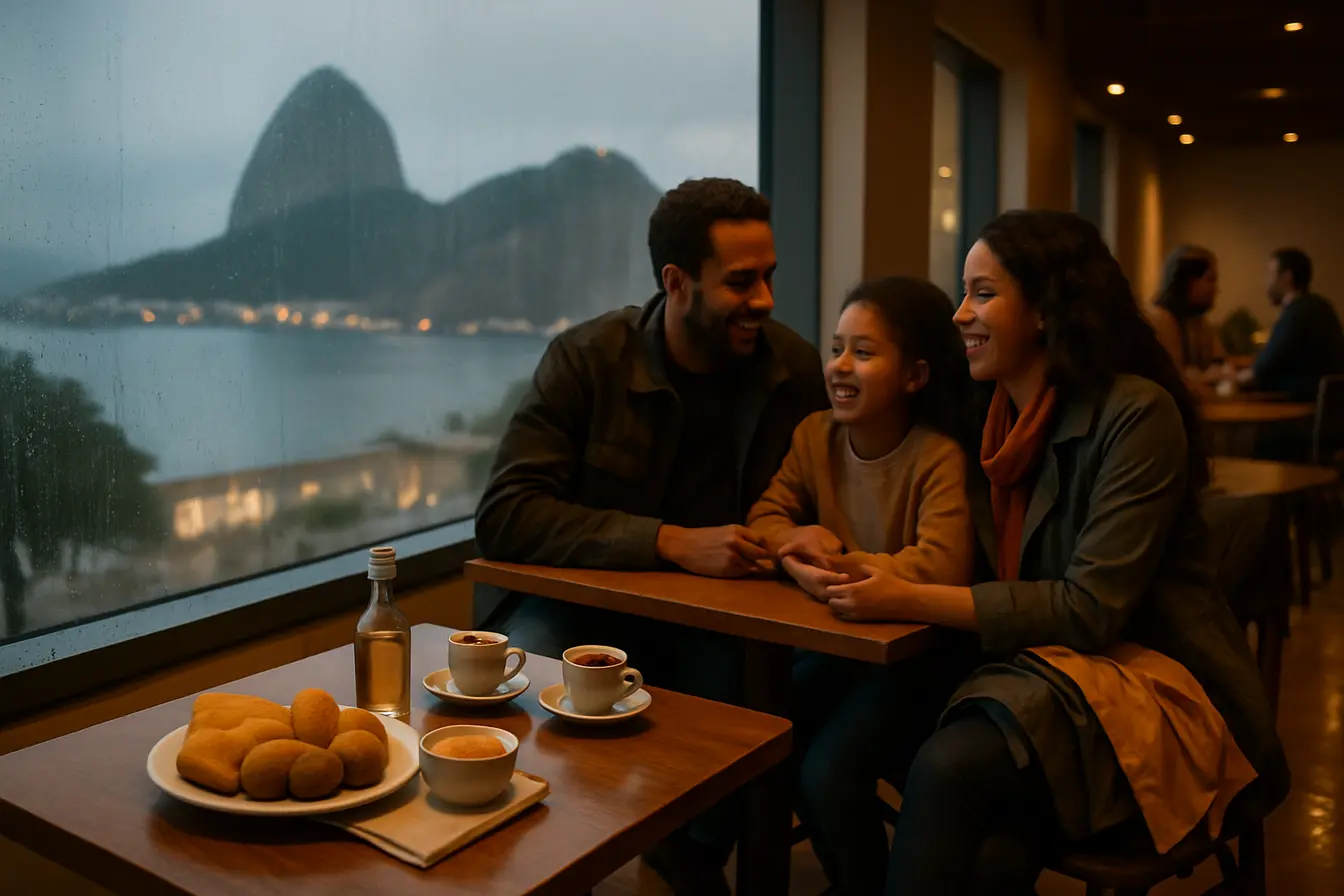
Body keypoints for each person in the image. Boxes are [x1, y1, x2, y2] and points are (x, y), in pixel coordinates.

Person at [816, 211, 1290, 894]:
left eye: (982, 293)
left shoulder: (1136, 413)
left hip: (1149, 681)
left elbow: (1090, 610)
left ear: (1046, 309)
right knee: (834, 745)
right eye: (963, 292)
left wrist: (906, 594)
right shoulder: (988, 418)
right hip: (1035, 668)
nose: (959, 314)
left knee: (949, 769)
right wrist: (817, 544)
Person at [473, 176, 828, 893]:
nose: (765, 299)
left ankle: (685, 852)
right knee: (518, 698)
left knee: (754, 720)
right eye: (741, 281)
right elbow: (506, 514)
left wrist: (808, 537)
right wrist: (668, 541)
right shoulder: (587, 359)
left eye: (769, 276)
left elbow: (824, 502)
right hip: (584, 609)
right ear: (676, 282)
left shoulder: (791, 369)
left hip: (722, 620)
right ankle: (536, 869)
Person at [743, 276, 978, 890]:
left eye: (864, 353)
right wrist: (798, 546)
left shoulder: (937, 456)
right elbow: (765, 519)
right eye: (836, 348)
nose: (840, 366)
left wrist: (838, 560)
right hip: (840, 647)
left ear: (915, 376)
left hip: (918, 662)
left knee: (828, 773)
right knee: (768, 741)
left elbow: (943, 565)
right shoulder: (814, 435)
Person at [1239, 247, 1344, 402]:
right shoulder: (1319, 306)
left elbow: (1262, 368)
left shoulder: (1297, 313)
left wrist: (1229, 378)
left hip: (1304, 408)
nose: (1265, 281)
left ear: (1287, 277)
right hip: (1327, 406)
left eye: (1270, 274)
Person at [1148, 245, 1227, 391]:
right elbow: (1174, 383)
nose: (1216, 290)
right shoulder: (1161, 321)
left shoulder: (1198, 322)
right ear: (1188, 281)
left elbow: (1219, 363)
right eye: (1210, 279)